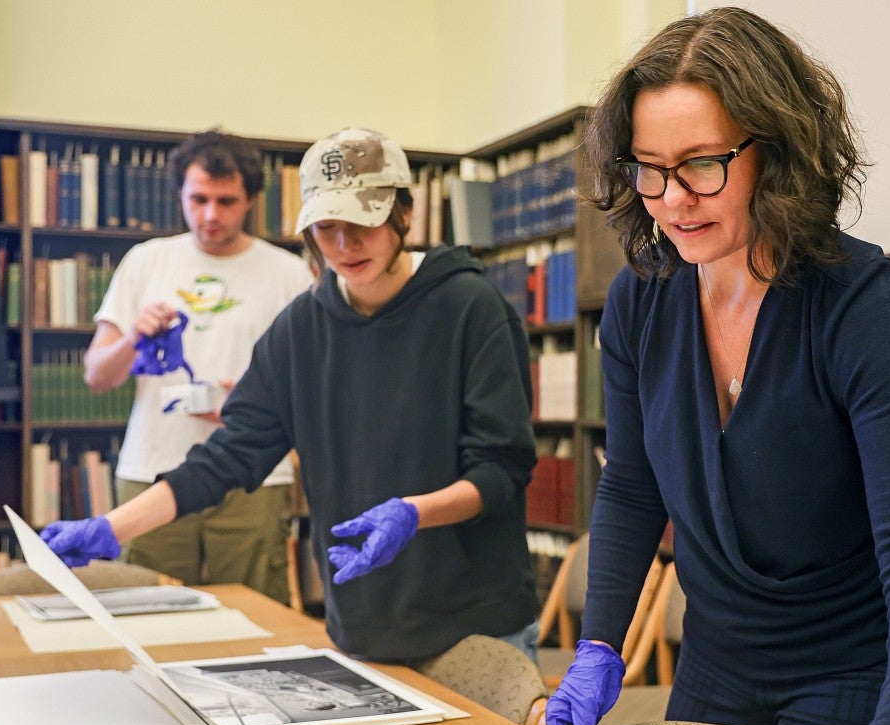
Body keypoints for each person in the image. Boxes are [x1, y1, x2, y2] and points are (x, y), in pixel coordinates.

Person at [545, 7, 890, 725]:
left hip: (845, 676)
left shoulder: (862, 305)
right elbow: (630, 489)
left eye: (702, 164)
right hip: (716, 663)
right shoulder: (641, 301)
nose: (672, 200)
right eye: (648, 171)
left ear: (774, 152)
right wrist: (599, 642)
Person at [43, 128, 539, 663]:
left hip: (477, 621)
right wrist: (109, 529)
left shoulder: (472, 308)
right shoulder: (301, 327)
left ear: (403, 213)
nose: (345, 246)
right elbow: (230, 455)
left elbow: (500, 469)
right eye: (327, 228)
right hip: (363, 622)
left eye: (363, 223)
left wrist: (414, 513)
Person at [82, 130, 313, 605]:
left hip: (255, 474)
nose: (210, 214)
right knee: (145, 617)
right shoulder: (147, 261)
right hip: (152, 469)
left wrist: (247, 407)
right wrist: (133, 338)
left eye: (226, 201)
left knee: (256, 618)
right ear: (180, 197)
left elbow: (317, 387)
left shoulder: (288, 273)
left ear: (249, 200)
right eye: (199, 199)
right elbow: (97, 375)